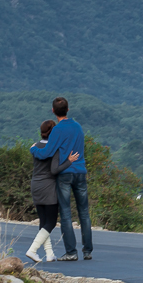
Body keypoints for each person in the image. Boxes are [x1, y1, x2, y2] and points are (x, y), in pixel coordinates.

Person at [30, 96, 93, 261]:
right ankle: (87, 250)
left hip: (65, 173)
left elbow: (47, 153)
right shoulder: (78, 127)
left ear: (53, 111)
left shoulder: (57, 130)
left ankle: (71, 252)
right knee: (84, 212)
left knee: (66, 213)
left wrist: (33, 150)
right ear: (68, 109)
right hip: (80, 171)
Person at [25, 119, 80, 263]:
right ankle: (32, 250)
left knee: (43, 222)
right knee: (51, 222)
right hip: (48, 187)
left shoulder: (35, 146)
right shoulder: (54, 149)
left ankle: (49, 254)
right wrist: (69, 161)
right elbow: (54, 170)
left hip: (35, 185)